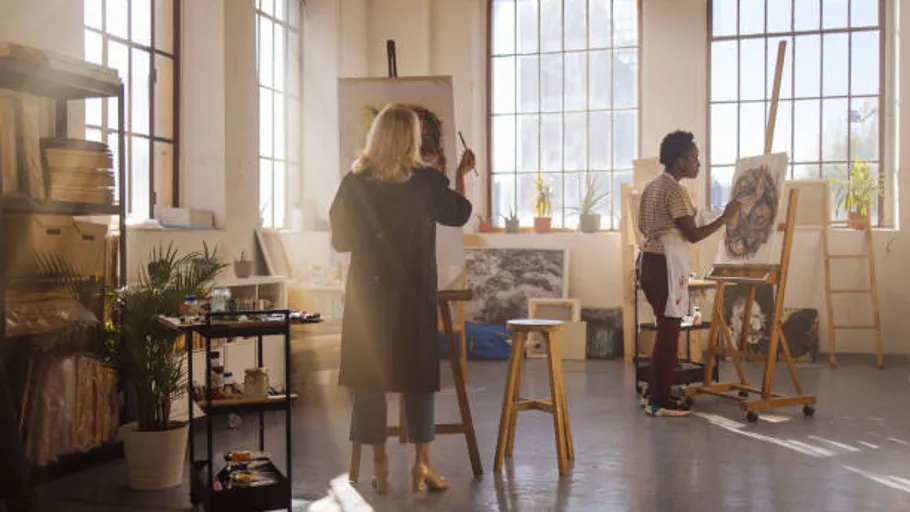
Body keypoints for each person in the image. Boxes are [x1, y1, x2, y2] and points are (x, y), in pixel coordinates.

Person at [330, 103, 473, 493]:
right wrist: (460, 177)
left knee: (369, 379)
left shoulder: (354, 182)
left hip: (367, 296)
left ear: (375, 136)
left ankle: (379, 467)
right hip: (412, 294)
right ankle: (421, 467)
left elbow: (339, 240)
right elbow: (459, 214)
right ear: (413, 139)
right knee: (418, 378)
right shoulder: (426, 182)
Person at [637, 130, 740, 417]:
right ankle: (659, 400)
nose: (698, 163)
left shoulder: (653, 186)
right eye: (694, 157)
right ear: (680, 161)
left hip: (650, 260)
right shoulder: (674, 190)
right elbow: (692, 234)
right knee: (669, 331)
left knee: (666, 329)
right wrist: (724, 220)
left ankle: (657, 392)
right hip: (664, 263)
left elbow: (651, 226)